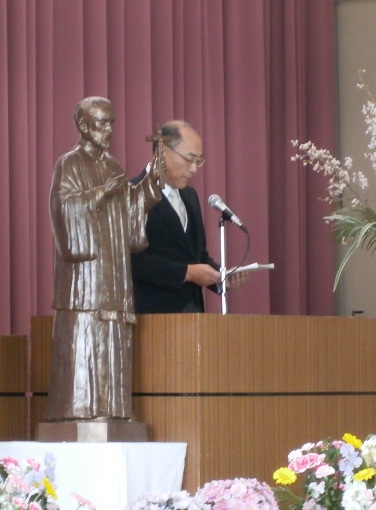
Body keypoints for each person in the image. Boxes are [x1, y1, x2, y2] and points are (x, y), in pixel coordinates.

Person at [46, 96, 162, 421]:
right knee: (85, 337)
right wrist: (100, 193)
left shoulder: (113, 166)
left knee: (113, 338)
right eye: (102, 123)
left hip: (113, 272)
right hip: (85, 277)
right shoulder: (69, 163)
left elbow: (128, 210)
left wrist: (149, 184)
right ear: (84, 126)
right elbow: (62, 208)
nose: (109, 129)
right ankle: (80, 411)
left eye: (111, 123)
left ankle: (113, 411)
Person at [131, 120, 246, 313]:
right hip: (152, 316)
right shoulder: (133, 193)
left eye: (198, 161)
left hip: (193, 315)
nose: (194, 169)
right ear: (162, 152)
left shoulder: (189, 196)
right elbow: (133, 261)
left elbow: (197, 256)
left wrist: (222, 277)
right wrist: (187, 273)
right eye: (189, 159)